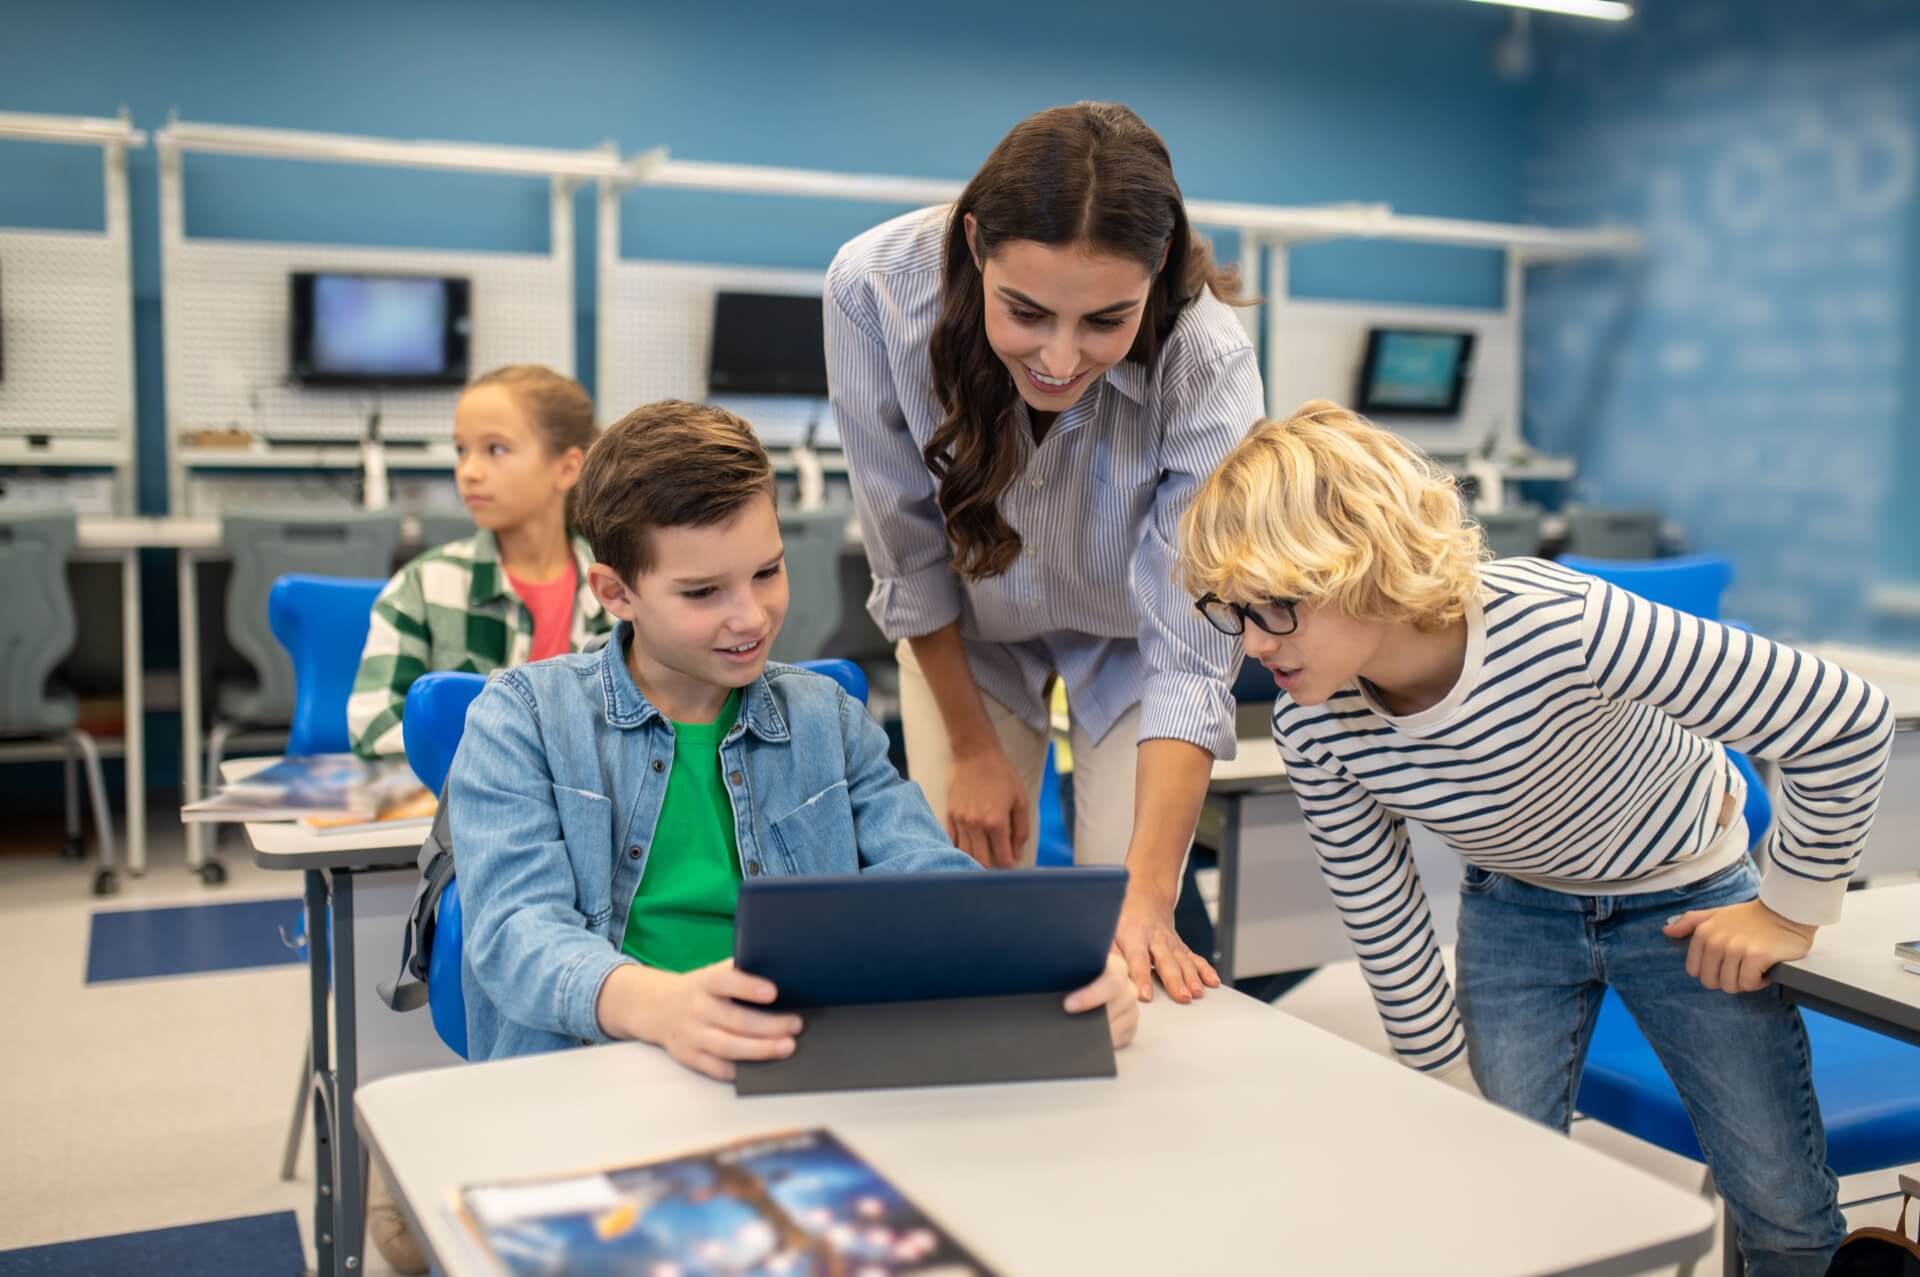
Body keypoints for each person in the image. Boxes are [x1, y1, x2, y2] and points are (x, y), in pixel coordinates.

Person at [1176, 400, 1894, 1276]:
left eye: (1276, 608)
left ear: (1362, 565)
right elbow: (1381, 908)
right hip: (1516, 909)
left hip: (1686, 897)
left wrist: (1788, 910)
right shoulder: (1315, 724)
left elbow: (1844, 717)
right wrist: (1441, 1085)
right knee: (1500, 1188)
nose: (1253, 644)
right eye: (1234, 612)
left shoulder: (1564, 625)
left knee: (1779, 1200)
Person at [446, 399, 1139, 1070]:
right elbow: (516, 934)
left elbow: (931, 888)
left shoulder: (827, 718)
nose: (750, 616)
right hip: (594, 1074)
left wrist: (1048, 971)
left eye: (767, 571)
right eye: (703, 592)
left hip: (792, 1064)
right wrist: (662, 1006)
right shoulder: (522, 718)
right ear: (616, 592)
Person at [826, 101, 1263, 1002]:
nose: (1060, 359)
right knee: (970, 919)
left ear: (1156, 275)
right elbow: (906, 553)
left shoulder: (1209, 357)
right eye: (1026, 312)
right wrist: (973, 749)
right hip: (971, 633)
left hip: (1135, 639)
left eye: (1107, 321)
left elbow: (1192, 646)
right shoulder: (873, 290)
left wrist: (1146, 900)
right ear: (977, 242)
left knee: (1131, 928)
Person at [348, 364, 608, 758]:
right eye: (461, 451)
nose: (468, 472)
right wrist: (507, 764)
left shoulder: (619, 595)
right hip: (462, 812)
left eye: (496, 449)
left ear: (567, 467)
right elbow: (373, 728)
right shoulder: (422, 587)